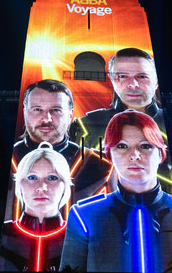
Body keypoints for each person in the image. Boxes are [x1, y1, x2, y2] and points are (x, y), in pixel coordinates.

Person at [60, 110, 172, 273]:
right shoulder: (84, 214)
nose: (134, 155)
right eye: (122, 146)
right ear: (110, 154)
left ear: (161, 153)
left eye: (145, 146)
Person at [7, 79, 114, 221]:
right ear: (25, 112)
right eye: (37, 109)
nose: (46, 118)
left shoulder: (101, 165)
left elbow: (112, 225)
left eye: (56, 110)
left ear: (70, 115)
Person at [70, 48, 165, 150]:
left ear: (156, 81)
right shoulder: (85, 127)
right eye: (123, 76)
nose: (133, 85)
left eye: (142, 76)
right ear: (112, 80)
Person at [0, 143, 72, 271]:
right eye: (32, 177)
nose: (41, 188)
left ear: (65, 187)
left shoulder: (78, 237)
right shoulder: (2, 234)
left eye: (52, 178)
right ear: (20, 184)